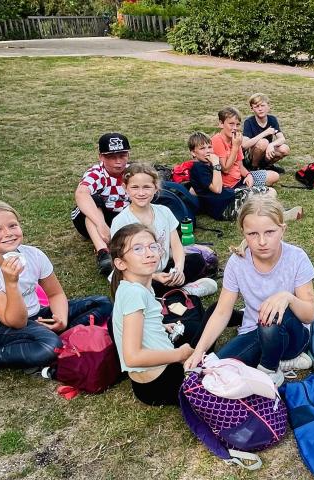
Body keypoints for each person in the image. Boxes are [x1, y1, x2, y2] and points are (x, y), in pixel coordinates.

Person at [0, 202, 112, 396]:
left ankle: (46, 341)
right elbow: (16, 321)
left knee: (102, 303)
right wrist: (11, 283)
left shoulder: (34, 255)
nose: (8, 233)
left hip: (35, 316)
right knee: (49, 347)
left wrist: (61, 319)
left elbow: (55, 294)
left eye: (12, 225)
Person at [185, 196, 314, 387]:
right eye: (253, 234)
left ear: (282, 230)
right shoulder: (237, 262)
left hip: (293, 337)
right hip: (254, 332)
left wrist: (287, 298)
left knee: (271, 316)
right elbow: (222, 312)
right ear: (243, 233)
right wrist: (199, 351)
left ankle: (269, 370)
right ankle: (278, 361)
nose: (262, 241)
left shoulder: (297, 258)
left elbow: (309, 315)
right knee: (215, 371)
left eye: (270, 232)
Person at [71, 132, 196, 276]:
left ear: (128, 155)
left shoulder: (132, 171)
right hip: (100, 218)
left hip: (126, 215)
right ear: (101, 157)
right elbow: (81, 194)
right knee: (93, 201)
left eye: (122, 156)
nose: (118, 161)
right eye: (111, 157)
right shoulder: (96, 173)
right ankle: (103, 252)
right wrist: (101, 224)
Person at [109, 223, 194, 406]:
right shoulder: (134, 293)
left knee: (191, 325)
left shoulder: (133, 287)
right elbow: (132, 357)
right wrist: (180, 354)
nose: (149, 253)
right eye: (138, 249)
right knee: (207, 319)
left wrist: (160, 326)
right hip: (160, 384)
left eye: (152, 246)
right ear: (120, 263)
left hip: (150, 383)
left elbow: (134, 324)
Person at [109, 162, 217, 298]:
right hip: (137, 274)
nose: (141, 193)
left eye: (146, 187)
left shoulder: (164, 211)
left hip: (163, 268)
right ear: (125, 188)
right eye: (135, 187)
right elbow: (121, 263)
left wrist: (178, 270)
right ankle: (183, 292)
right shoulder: (121, 221)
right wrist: (154, 276)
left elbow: (176, 246)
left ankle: (175, 291)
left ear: (156, 188)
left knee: (197, 260)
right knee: (139, 287)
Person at [189, 131, 302, 222]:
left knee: (269, 192)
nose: (208, 151)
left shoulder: (206, 165)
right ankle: (279, 215)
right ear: (193, 153)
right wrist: (216, 165)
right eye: (202, 148)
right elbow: (217, 189)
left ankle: (278, 212)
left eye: (209, 147)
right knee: (269, 193)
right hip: (224, 207)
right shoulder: (198, 167)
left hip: (230, 197)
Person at [212, 107, 279, 191]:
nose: (235, 128)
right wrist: (235, 147)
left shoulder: (236, 139)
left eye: (237, 124)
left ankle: (247, 187)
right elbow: (225, 169)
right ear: (221, 124)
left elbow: (240, 165)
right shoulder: (217, 140)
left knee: (274, 176)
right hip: (228, 184)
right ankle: (246, 191)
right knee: (270, 192)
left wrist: (248, 175)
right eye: (231, 124)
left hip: (239, 178)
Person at [242, 93, 289, 174]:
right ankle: (253, 168)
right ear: (252, 109)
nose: (260, 109)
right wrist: (265, 133)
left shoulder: (272, 119)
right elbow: (244, 146)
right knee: (263, 142)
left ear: (268, 106)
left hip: (267, 151)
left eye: (263, 105)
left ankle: (267, 166)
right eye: (256, 106)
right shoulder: (249, 122)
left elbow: (282, 138)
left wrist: (271, 145)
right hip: (252, 154)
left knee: (285, 149)